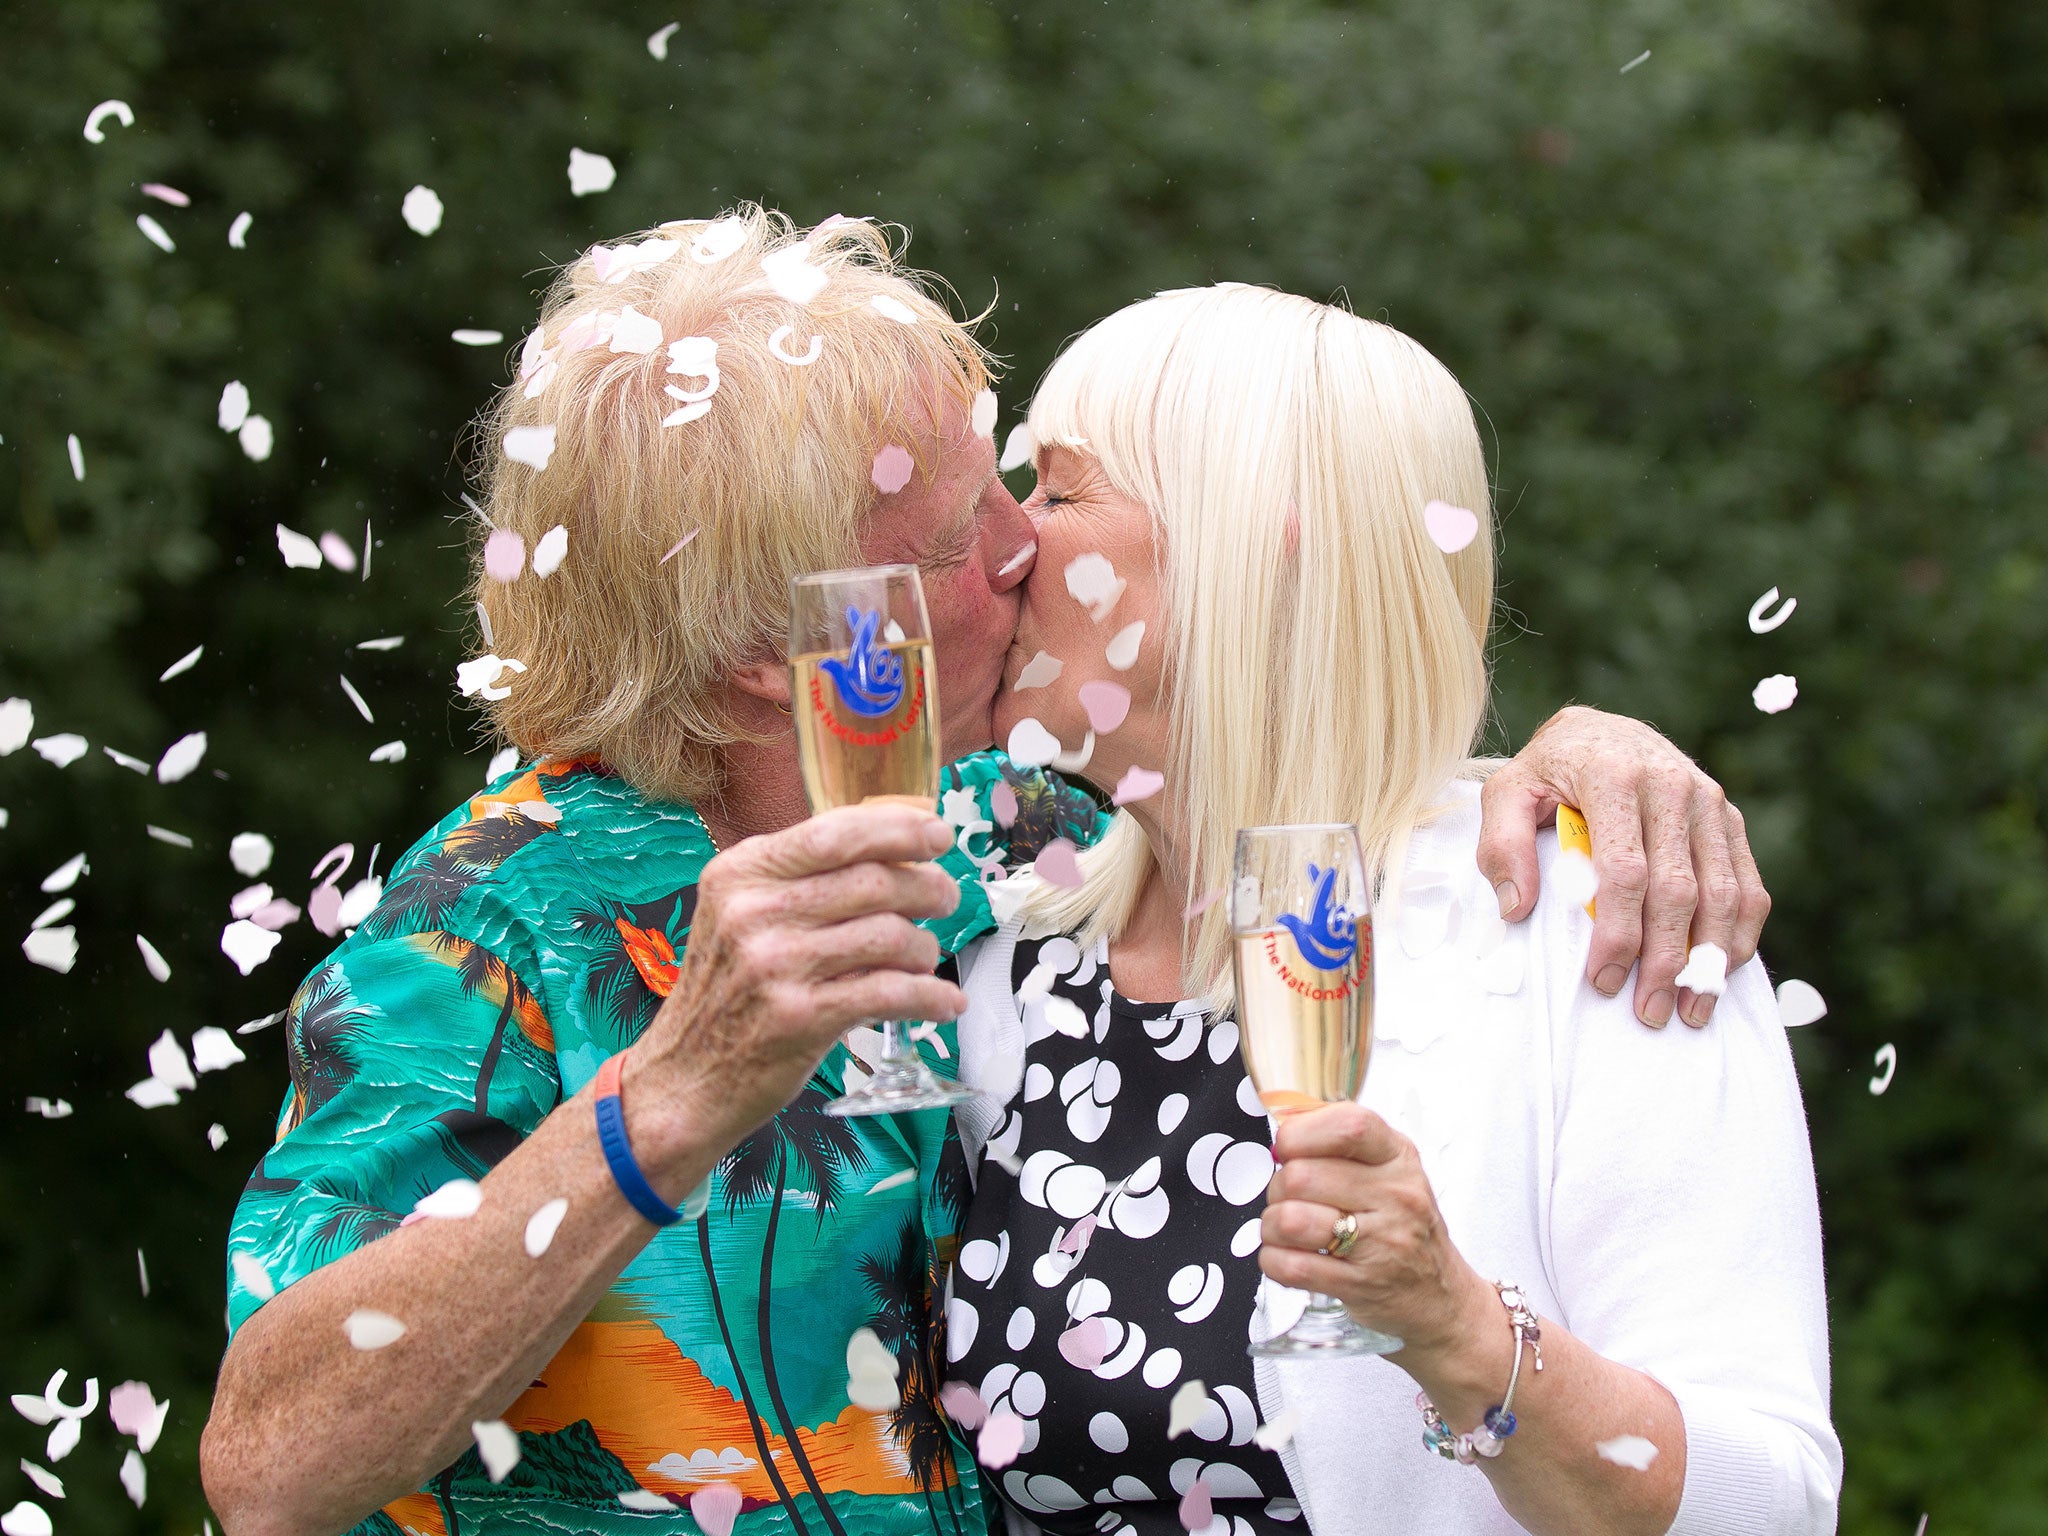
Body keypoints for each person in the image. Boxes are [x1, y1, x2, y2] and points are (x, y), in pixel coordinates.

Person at [200, 211, 1776, 1536]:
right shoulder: (480, 928)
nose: (1026, 544)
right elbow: (265, 1474)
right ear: (775, 653)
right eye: (966, 528)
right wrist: (666, 1103)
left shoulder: (1006, 842)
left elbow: (1286, 767)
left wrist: (1571, 762)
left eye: (1027, 484)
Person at [947, 283, 1839, 1536]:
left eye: (1056, 488)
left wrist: (1462, 1333)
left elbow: (1773, 1506)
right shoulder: (1008, 956)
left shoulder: (1584, 919)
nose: (1007, 544)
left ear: (1251, 540)